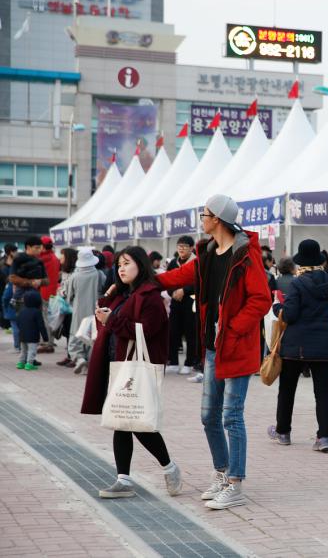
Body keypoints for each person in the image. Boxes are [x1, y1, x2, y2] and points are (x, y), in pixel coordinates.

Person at [158, 194, 271, 510]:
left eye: (204, 214)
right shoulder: (207, 252)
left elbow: (260, 299)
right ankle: (222, 473)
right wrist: (149, 280)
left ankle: (235, 484)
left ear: (218, 219)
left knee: (231, 415)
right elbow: (182, 275)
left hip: (235, 347)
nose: (201, 219)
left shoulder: (245, 254)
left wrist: (233, 329)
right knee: (209, 416)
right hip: (212, 348)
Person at [81, 246, 182, 499]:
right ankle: (123, 479)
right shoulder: (124, 293)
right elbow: (108, 320)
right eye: (118, 264)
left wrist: (111, 319)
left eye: (126, 263)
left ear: (140, 264)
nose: (121, 268)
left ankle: (169, 467)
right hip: (116, 363)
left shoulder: (150, 297)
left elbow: (146, 331)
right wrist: (109, 297)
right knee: (121, 419)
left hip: (136, 366)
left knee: (138, 423)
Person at [268, 239, 328, 452]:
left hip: (296, 344)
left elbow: (290, 314)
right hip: (324, 342)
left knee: (287, 389)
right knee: (324, 393)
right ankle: (324, 437)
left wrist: (277, 306)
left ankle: (283, 432)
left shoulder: (297, 284)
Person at [67, 247, 105, 375]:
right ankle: (90, 363)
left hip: (79, 310)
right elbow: (106, 291)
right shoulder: (99, 274)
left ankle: (79, 358)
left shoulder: (75, 276)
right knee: (92, 336)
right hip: (95, 310)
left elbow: (69, 295)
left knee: (76, 336)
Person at [165, 236, 199, 377]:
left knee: (190, 332)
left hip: (191, 301)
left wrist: (184, 290)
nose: (181, 249)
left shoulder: (196, 262)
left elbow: (199, 282)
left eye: (185, 246)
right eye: (179, 246)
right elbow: (167, 280)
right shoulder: (173, 263)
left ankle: (189, 363)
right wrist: (173, 292)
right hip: (176, 302)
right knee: (173, 331)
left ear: (191, 248)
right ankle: (173, 362)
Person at [56, 247, 79, 367]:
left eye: (63, 256)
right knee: (66, 331)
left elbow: (70, 291)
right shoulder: (64, 271)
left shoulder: (75, 273)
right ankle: (70, 355)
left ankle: (74, 357)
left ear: (68, 258)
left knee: (72, 332)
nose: (60, 259)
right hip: (65, 306)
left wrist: (61, 292)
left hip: (72, 307)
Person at [38, 236, 60, 353]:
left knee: (45, 318)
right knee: (51, 317)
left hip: (44, 291)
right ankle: (50, 341)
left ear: (42, 246)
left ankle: (47, 343)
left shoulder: (42, 259)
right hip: (54, 292)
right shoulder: (55, 258)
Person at [16, 291, 47, 370]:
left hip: (22, 335)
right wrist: (45, 337)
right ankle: (29, 364)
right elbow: (41, 325)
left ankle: (21, 363)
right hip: (33, 336)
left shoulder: (21, 311)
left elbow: (18, 322)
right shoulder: (37, 312)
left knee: (23, 350)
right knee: (32, 350)